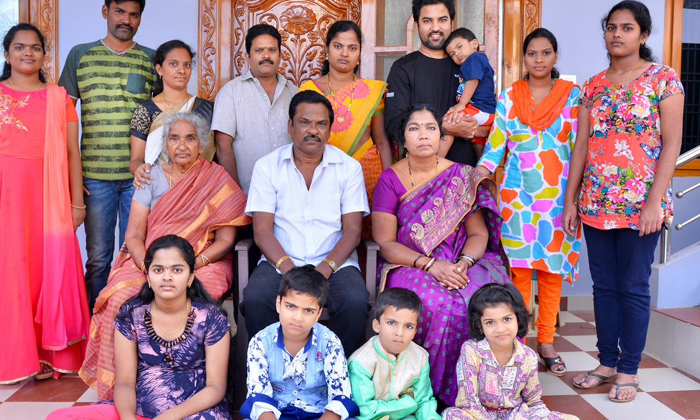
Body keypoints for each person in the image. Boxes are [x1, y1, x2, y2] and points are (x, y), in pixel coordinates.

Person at [80, 112, 250, 400]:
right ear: (166, 144)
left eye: (190, 138)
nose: (182, 145)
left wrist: (194, 264)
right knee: (121, 297)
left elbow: (226, 239)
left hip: (203, 260)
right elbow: (133, 234)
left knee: (198, 296)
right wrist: (150, 267)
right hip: (149, 260)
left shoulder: (216, 178)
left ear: (201, 144)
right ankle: (123, 386)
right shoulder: (150, 177)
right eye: (174, 138)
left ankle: (188, 383)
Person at [563, 1, 684, 403]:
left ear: (643, 35)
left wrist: (654, 203)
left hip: (640, 205)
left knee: (632, 286)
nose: (617, 34)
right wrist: (571, 201)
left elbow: (672, 144)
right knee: (603, 286)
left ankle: (629, 369)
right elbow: (581, 146)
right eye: (611, 27)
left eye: (627, 28)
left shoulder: (663, 80)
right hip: (596, 201)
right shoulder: (593, 85)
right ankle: (606, 362)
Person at [372, 104, 510, 405]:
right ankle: (432, 394)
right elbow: (385, 242)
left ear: (440, 134)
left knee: (491, 299)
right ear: (402, 140)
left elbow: (478, 234)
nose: (423, 135)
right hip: (410, 261)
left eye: (431, 128)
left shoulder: (461, 176)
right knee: (436, 303)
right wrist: (431, 265)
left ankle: (489, 391)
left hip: (463, 260)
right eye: (414, 129)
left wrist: (463, 264)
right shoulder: (390, 180)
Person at [476, 28, 581, 377]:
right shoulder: (509, 97)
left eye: (545, 53)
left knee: (551, 275)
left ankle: (547, 342)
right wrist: (477, 176)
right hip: (517, 199)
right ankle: (519, 344)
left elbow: (582, 150)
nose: (538, 59)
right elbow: (495, 146)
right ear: (524, 58)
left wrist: (577, 198)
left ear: (555, 56)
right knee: (518, 274)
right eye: (532, 53)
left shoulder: (573, 97)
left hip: (558, 199)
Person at [47, 235, 232, 420]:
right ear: (149, 277)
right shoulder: (132, 315)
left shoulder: (211, 318)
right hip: (140, 410)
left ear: (190, 277)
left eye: (177, 270)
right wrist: (128, 417)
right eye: (158, 270)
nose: (167, 277)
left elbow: (215, 388)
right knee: (58, 418)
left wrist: (168, 417)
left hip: (195, 413)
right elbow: (125, 382)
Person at [243, 90, 371, 355]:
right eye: (304, 122)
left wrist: (321, 272)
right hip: (280, 263)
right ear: (290, 126)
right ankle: (268, 376)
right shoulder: (267, 167)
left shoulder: (348, 168)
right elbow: (262, 232)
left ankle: (336, 376)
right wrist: (291, 273)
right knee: (256, 299)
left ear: (329, 129)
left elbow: (353, 232)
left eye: (321, 124)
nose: (313, 130)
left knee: (355, 301)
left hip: (334, 264)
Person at [0, 23, 91, 385]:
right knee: (11, 271)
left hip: (48, 196)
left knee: (46, 271)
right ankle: (13, 355)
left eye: (35, 48)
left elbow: (72, 153)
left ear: (44, 54)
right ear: (6, 54)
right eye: (19, 47)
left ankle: (47, 355)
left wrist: (76, 203)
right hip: (6, 196)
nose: (27, 53)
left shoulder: (59, 98)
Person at [59, 0, 157, 310]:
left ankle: (129, 326)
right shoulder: (80, 55)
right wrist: (69, 175)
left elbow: (163, 114)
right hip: (94, 178)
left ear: (140, 18)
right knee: (99, 259)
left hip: (139, 180)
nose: (126, 20)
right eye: (119, 12)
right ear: (105, 12)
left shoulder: (151, 59)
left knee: (134, 254)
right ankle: (94, 327)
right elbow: (63, 117)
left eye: (134, 14)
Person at [299, 20, 392, 238]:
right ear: (327, 50)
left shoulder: (372, 91)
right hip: (321, 172)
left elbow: (381, 142)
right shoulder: (308, 90)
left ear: (359, 53)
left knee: (367, 236)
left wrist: (389, 182)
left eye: (352, 48)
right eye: (338, 46)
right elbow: (300, 140)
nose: (344, 53)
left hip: (366, 173)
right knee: (325, 234)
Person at [442, 283, 579, 420]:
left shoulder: (528, 356)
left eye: (507, 319)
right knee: (451, 414)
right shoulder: (471, 350)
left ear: (518, 319)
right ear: (479, 326)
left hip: (516, 416)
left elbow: (534, 401)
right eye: (490, 322)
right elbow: (467, 401)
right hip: (478, 416)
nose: (500, 329)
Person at [241, 265, 359, 420]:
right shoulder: (261, 342)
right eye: (291, 306)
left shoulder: (330, 342)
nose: (298, 317)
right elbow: (259, 398)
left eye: (308, 311)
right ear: (278, 303)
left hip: (320, 414)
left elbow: (340, 395)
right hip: (276, 414)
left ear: (318, 314)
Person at [384, 0, 486, 166]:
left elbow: (489, 116)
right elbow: (393, 124)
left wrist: (473, 129)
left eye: (442, 20)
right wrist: (445, 127)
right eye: (427, 21)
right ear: (417, 25)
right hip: (420, 177)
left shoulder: (470, 66)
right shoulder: (402, 68)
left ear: (452, 22)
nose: (435, 27)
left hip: (466, 173)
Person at [212, 24, 298, 195]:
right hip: (248, 193)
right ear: (247, 56)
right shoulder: (231, 92)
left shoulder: (295, 93)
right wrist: (235, 193)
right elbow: (223, 145)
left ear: (280, 55)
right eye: (259, 50)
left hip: (291, 193)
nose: (266, 55)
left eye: (272, 50)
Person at [130, 40, 216, 189]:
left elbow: (214, 157)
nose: (182, 70)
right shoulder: (145, 111)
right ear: (159, 69)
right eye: (174, 64)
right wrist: (139, 170)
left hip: (199, 189)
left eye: (187, 65)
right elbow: (135, 160)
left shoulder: (207, 108)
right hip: (157, 188)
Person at [348, 288, 441, 420]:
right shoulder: (361, 362)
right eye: (392, 323)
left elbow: (423, 401)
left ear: (415, 331)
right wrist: (408, 403)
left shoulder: (420, 357)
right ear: (377, 325)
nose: (400, 333)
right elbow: (366, 410)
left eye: (408, 326)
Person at [444, 28, 496, 159]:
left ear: (474, 44)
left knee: (451, 122)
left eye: (459, 46)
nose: (457, 54)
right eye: (452, 54)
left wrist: (462, 104)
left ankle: (436, 163)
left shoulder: (475, 59)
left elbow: (473, 81)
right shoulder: (470, 64)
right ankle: (481, 166)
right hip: (484, 111)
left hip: (481, 109)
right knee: (478, 141)